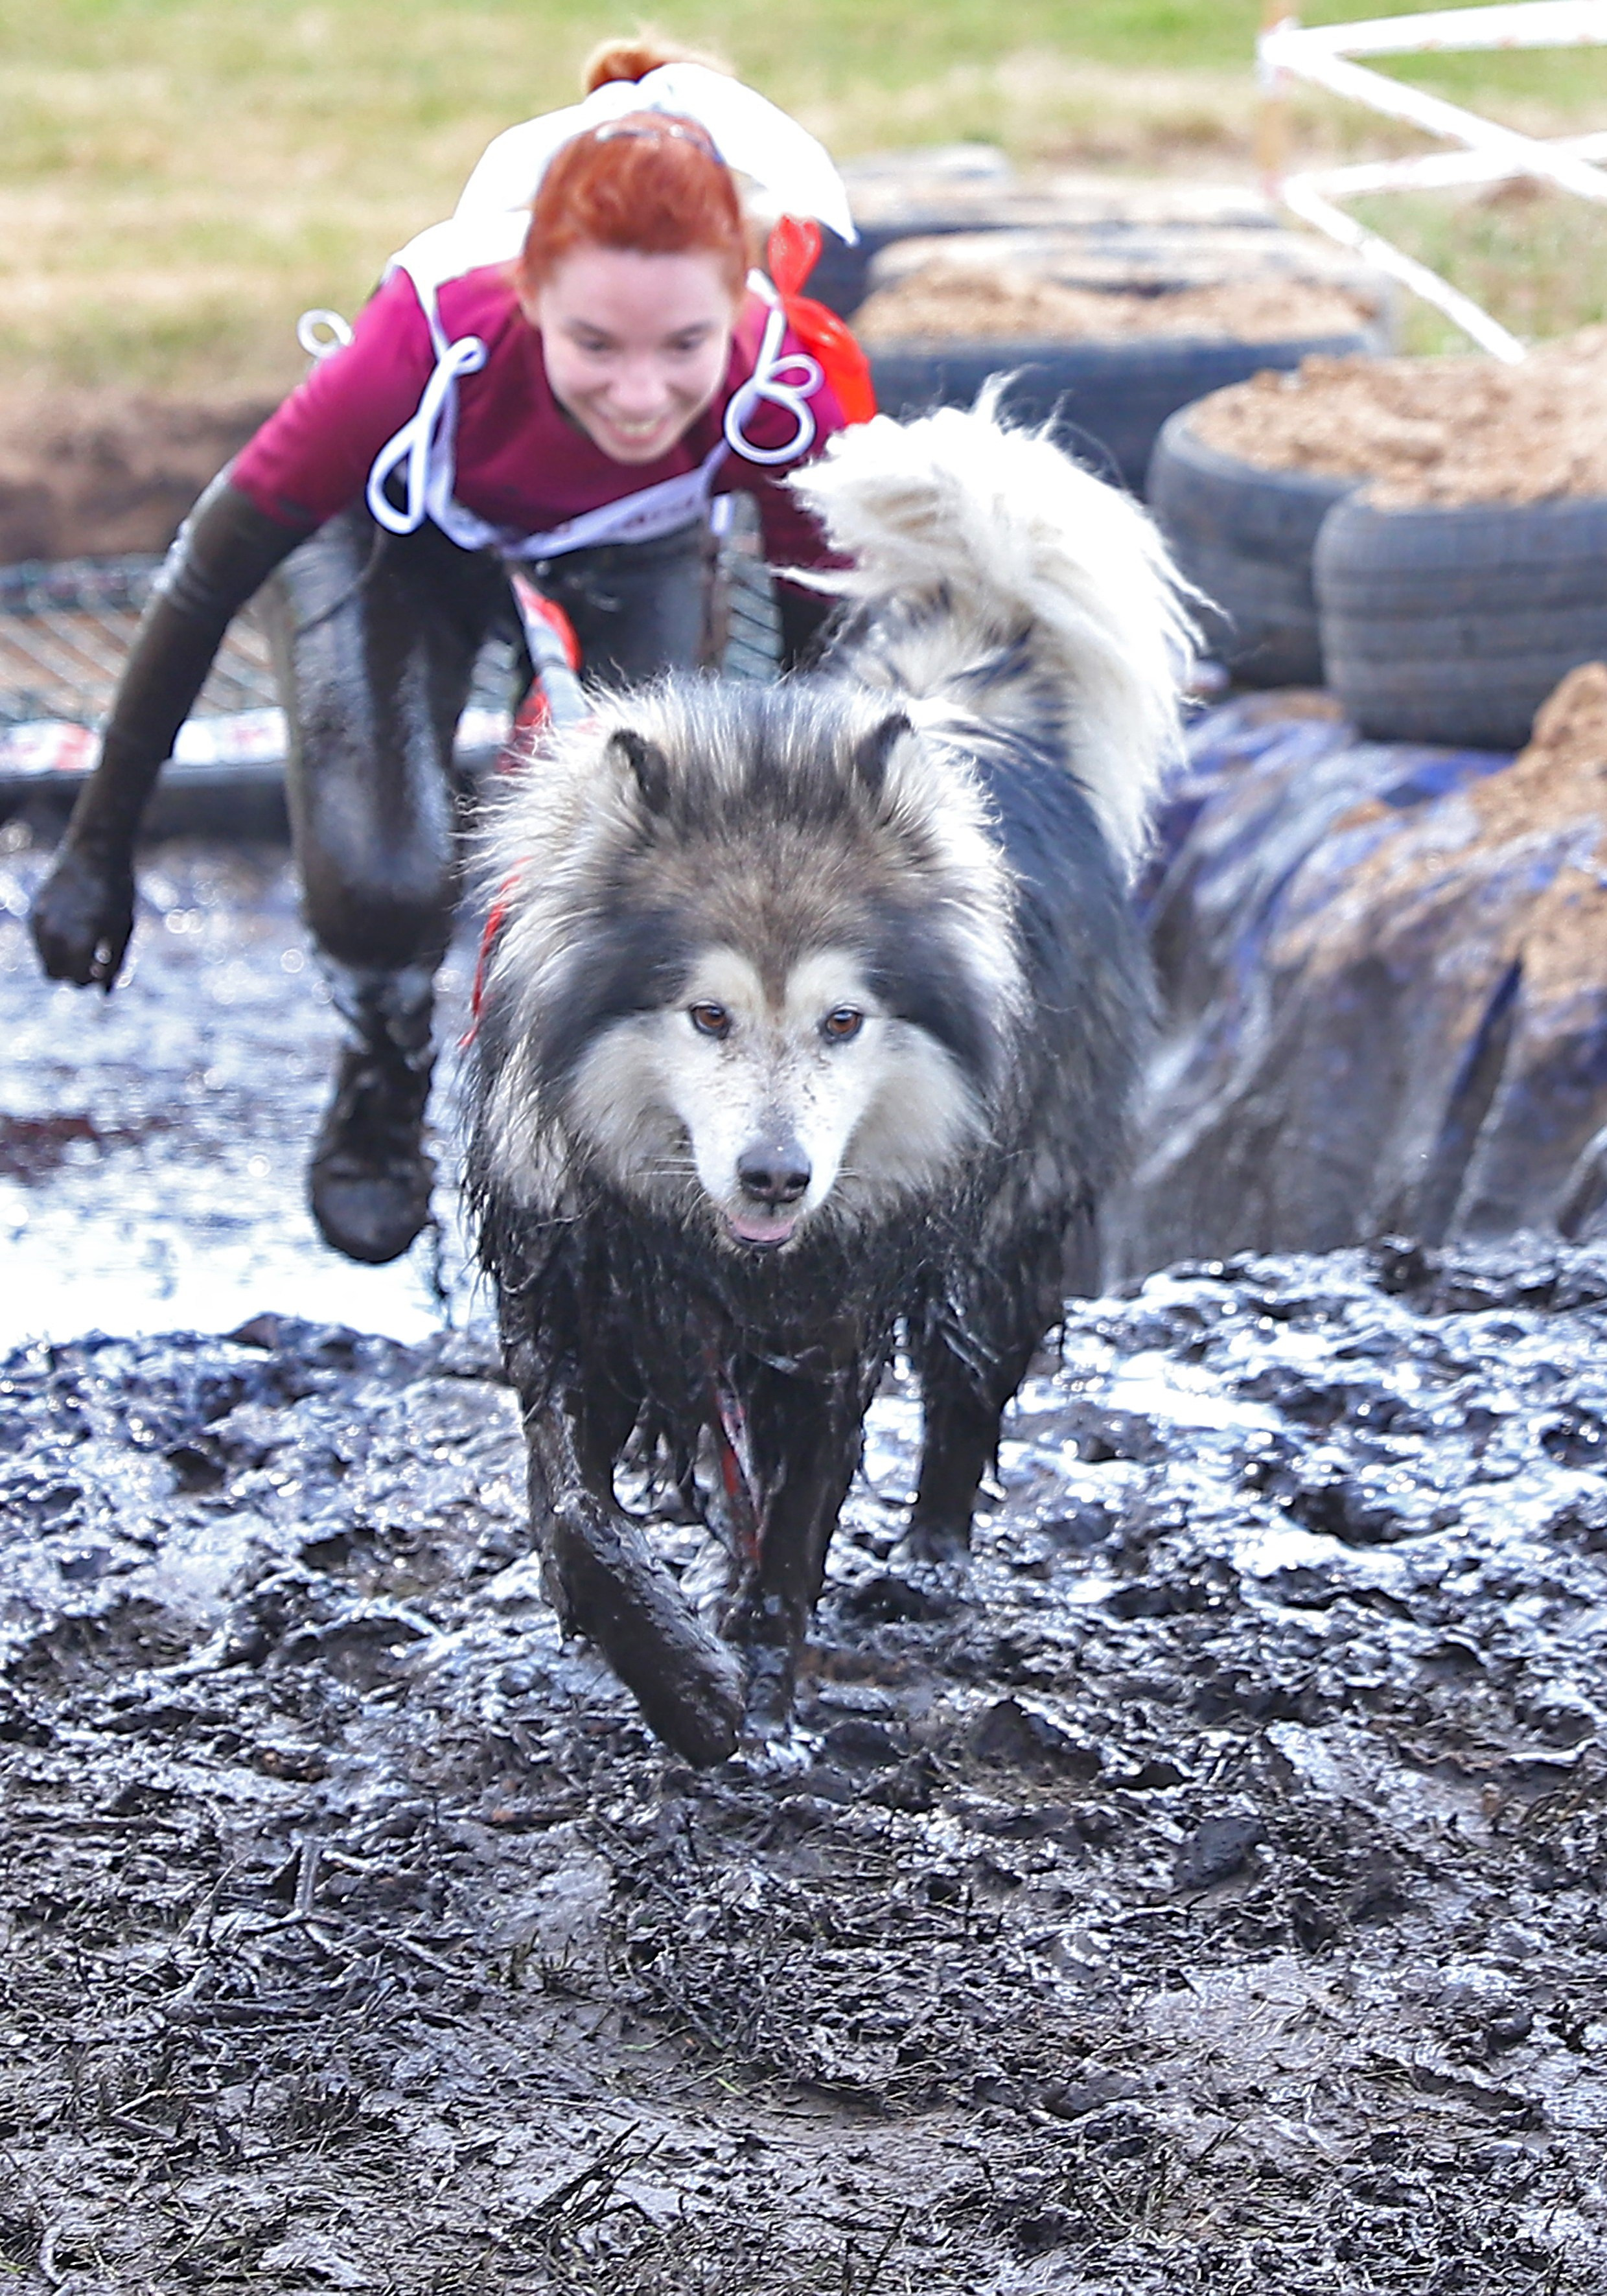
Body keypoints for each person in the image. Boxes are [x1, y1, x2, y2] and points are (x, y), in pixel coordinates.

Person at [29, 38, 861, 1268]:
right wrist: (98, 846)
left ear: (742, 299)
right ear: (529, 292)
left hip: (630, 548)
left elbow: (823, 627)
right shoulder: (425, 345)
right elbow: (207, 577)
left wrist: (817, 856)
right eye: (595, 345)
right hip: (395, 540)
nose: (639, 398)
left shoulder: (784, 381)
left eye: (682, 347)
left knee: (656, 874)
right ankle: (383, 1067)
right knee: (381, 877)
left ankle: (599, 1140)